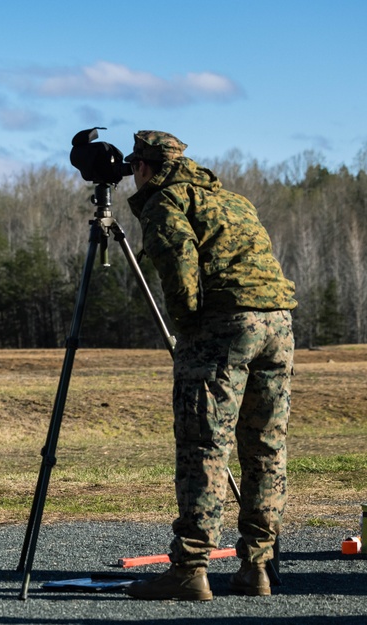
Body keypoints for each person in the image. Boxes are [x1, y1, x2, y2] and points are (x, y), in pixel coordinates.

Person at [121, 131, 297, 601]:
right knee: (265, 445)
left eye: (135, 169)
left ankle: (190, 568)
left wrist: (190, 328)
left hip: (224, 325)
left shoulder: (165, 202)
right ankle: (258, 565)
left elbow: (180, 273)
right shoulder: (232, 200)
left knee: (204, 444)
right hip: (278, 323)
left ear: (144, 167)